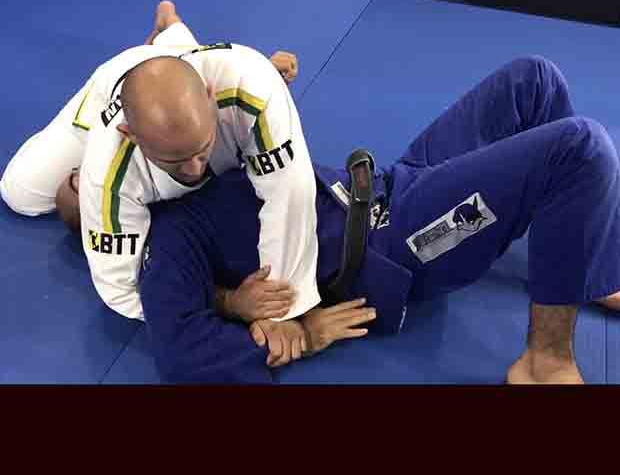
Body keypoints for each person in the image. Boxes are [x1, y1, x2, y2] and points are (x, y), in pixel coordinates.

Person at [57, 55, 620, 384]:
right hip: (392, 246)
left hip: (389, 184)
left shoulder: (200, 144)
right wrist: (303, 334)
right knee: (581, 148)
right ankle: (545, 362)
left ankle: (585, 263)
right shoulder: (168, 237)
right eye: (77, 186)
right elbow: (181, 352)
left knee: (534, 81)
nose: (85, 175)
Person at [1, 0, 319, 324]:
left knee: (213, 98)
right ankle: (169, 45)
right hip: (109, 91)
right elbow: (122, 293)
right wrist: (228, 302)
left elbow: (291, 194)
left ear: (210, 96)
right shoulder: (106, 171)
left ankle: (172, 35)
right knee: (21, 195)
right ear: (131, 135)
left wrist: (282, 308)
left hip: (192, 75)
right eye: (175, 160)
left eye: (201, 150)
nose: (194, 170)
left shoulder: (254, 89)